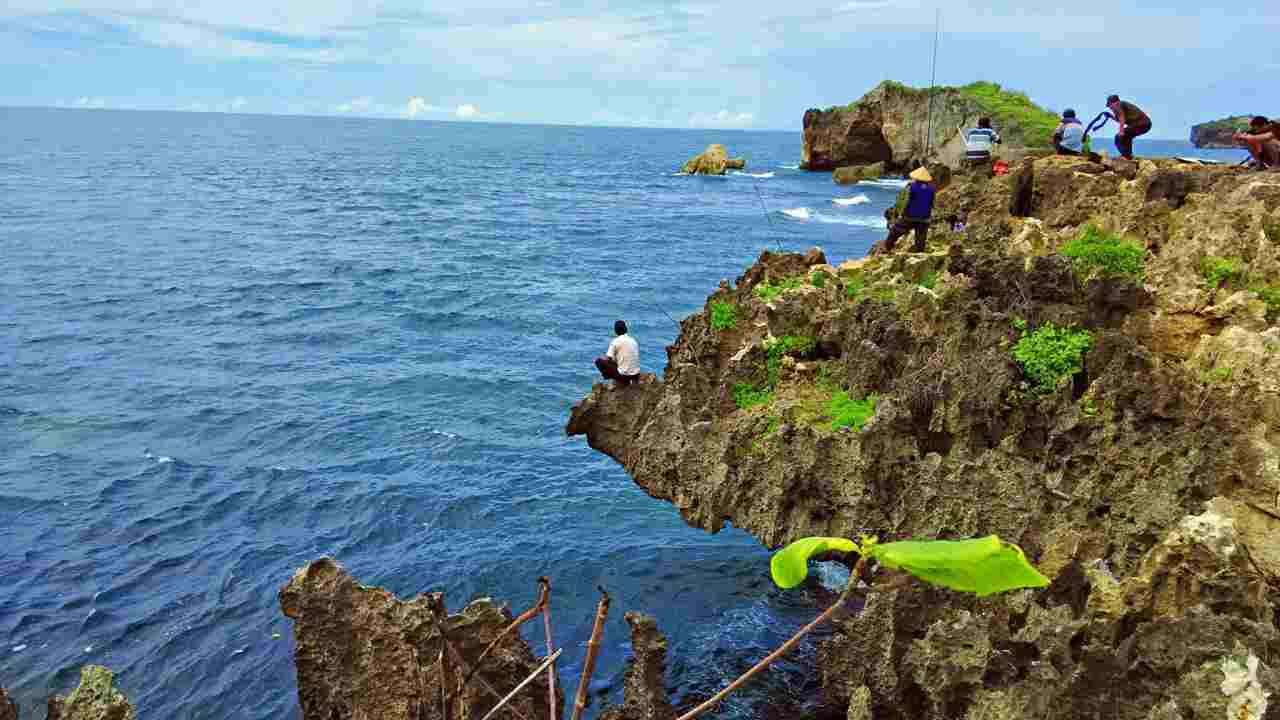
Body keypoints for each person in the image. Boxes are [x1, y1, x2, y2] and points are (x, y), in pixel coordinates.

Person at [881, 167, 936, 253]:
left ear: (916, 177)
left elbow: (902, 202)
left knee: (894, 232)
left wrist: (898, 213)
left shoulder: (911, 187)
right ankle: (919, 253)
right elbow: (932, 204)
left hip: (909, 217)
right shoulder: (932, 189)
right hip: (924, 218)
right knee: (920, 239)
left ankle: (887, 249)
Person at [595, 320, 641, 386]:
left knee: (599, 361)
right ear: (626, 329)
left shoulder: (615, 341)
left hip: (624, 376)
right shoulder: (633, 340)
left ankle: (615, 380)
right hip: (636, 375)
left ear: (615, 331)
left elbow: (608, 358)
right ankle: (629, 380)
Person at [1106, 94, 1152, 160]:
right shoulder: (1120, 107)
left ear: (1115, 102)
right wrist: (1111, 116)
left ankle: (1126, 155)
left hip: (1141, 123)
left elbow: (1122, 117)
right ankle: (1128, 155)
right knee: (1127, 136)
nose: (1110, 108)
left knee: (1119, 137)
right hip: (1145, 124)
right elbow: (1120, 119)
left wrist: (1121, 131)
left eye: (1110, 105)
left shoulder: (1118, 105)